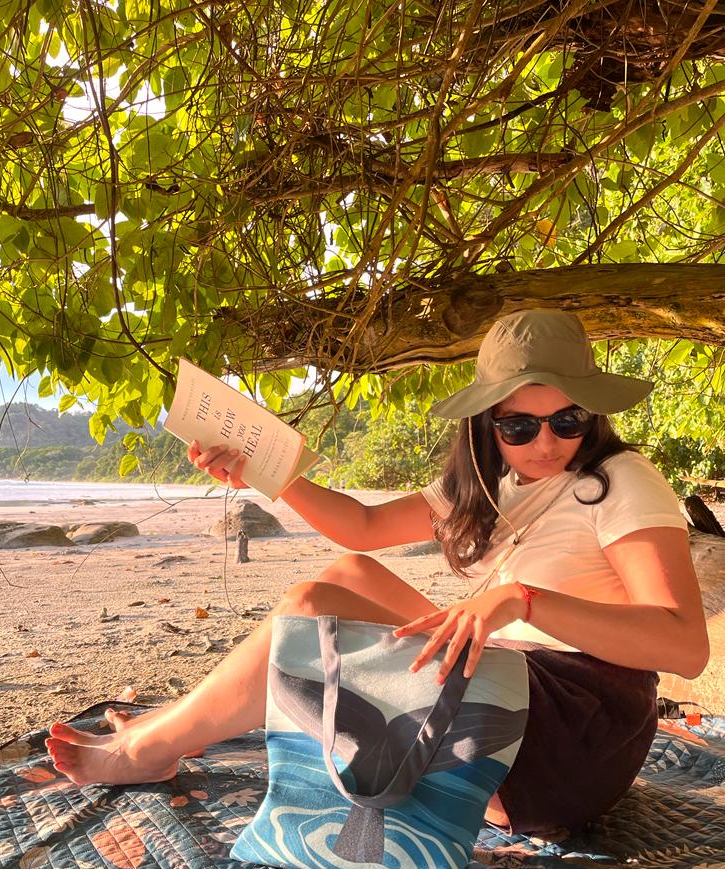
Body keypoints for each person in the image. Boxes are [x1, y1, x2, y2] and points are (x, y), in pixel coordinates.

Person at [47, 309, 709, 835]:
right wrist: (259, 471)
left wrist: (522, 600)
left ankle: (154, 749)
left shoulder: (619, 479)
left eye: (568, 420)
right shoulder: (492, 483)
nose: (545, 443)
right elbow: (360, 528)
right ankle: (179, 723)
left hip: (571, 742)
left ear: (592, 411)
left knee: (312, 605)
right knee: (351, 573)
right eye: (519, 426)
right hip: (515, 707)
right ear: (487, 424)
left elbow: (681, 646)